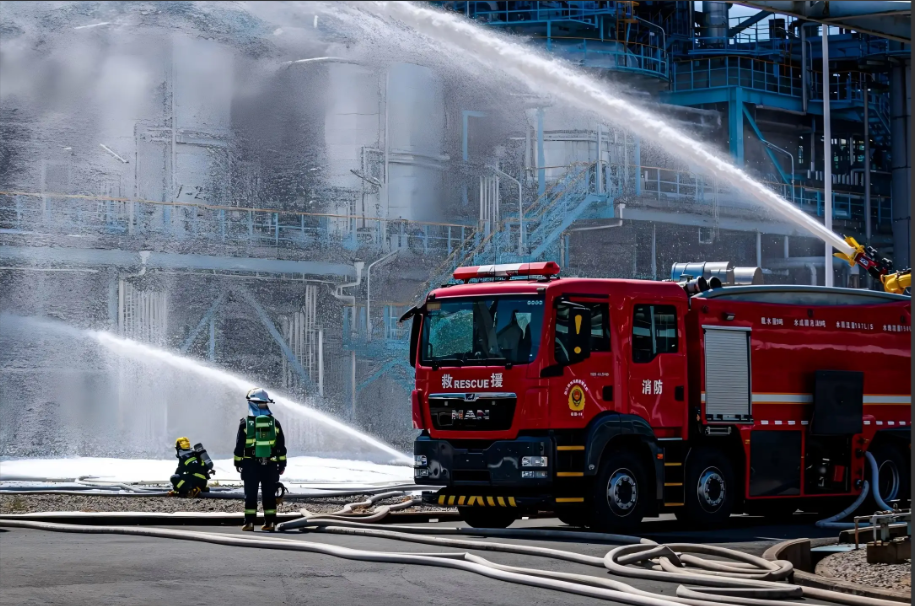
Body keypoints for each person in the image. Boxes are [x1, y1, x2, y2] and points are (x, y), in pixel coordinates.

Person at [234, 387, 287, 531]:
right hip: (270, 465)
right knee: (269, 495)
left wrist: (238, 462)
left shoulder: (245, 423)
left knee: (250, 495)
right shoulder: (274, 423)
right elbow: (281, 446)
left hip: (250, 465)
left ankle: (249, 523)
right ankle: (270, 523)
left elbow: (240, 446)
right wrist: (282, 464)